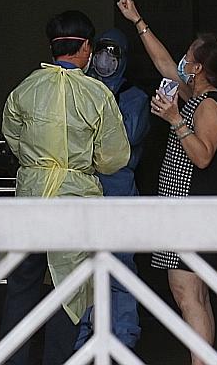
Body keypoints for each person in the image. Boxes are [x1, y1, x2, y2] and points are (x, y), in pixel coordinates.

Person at [117, 0, 217, 365]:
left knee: (188, 294)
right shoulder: (197, 96)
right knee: (194, 294)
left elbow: (202, 157)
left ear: (200, 68)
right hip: (183, 206)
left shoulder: (211, 106)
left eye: (189, 56)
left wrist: (173, 120)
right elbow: (165, 65)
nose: (182, 61)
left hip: (191, 209)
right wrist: (138, 21)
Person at [1, 11, 130, 365]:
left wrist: (39, 165)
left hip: (31, 199)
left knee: (22, 288)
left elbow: (13, 137)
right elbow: (114, 156)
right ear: (86, 47)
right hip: (74, 201)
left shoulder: (26, 88)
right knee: (69, 291)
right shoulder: (97, 94)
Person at [75, 28, 150, 352]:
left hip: (119, 190)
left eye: (113, 52)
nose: (106, 58)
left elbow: (125, 138)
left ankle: (123, 339)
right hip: (85, 189)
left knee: (119, 268)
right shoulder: (80, 89)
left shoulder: (135, 97)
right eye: (101, 51)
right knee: (82, 270)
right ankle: (84, 337)